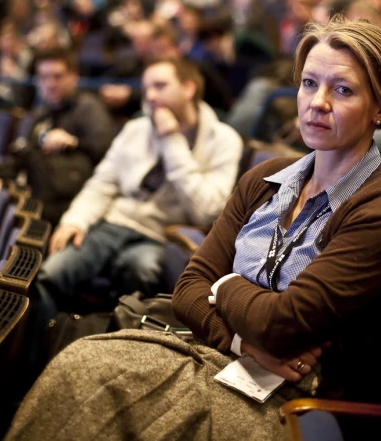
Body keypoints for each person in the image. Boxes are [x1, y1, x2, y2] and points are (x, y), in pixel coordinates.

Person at [6, 17, 381, 441]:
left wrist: (223, 286)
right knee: (77, 366)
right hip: (223, 357)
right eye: (310, 83)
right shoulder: (266, 178)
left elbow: (283, 325)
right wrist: (243, 340)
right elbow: (188, 286)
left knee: (103, 389)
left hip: (291, 401)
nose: (317, 102)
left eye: (343, 90)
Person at [36, 57, 243, 314]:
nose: (151, 96)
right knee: (50, 273)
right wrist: (75, 220)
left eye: (160, 86)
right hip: (113, 224)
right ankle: (48, 345)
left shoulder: (223, 140)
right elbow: (102, 183)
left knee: (140, 268)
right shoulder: (136, 129)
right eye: (146, 88)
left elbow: (206, 210)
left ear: (188, 88)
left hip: (161, 234)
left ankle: (119, 344)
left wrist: (172, 140)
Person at [0, 48, 116, 227]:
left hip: (68, 196)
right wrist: (2, 178)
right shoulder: (42, 113)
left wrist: (73, 142)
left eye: (57, 76)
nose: (50, 83)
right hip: (38, 188)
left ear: (74, 75)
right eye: (43, 77)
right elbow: (22, 152)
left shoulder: (88, 108)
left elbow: (107, 149)